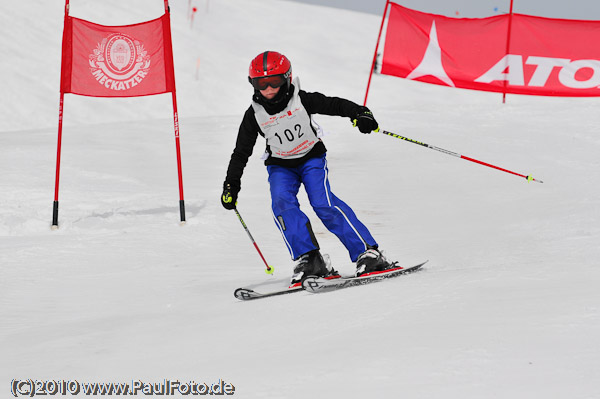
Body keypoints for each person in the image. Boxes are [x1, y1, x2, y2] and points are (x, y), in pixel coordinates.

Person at [221, 51, 392, 285]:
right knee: (282, 204)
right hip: (280, 166)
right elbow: (241, 152)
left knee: (323, 203)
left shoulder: (301, 100)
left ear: (287, 79)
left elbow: (334, 104)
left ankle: (369, 253)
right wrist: (231, 184)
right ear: (252, 84)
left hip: (311, 158)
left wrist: (360, 113)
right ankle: (310, 259)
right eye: (261, 83)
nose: (269, 89)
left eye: (274, 82)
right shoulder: (254, 115)